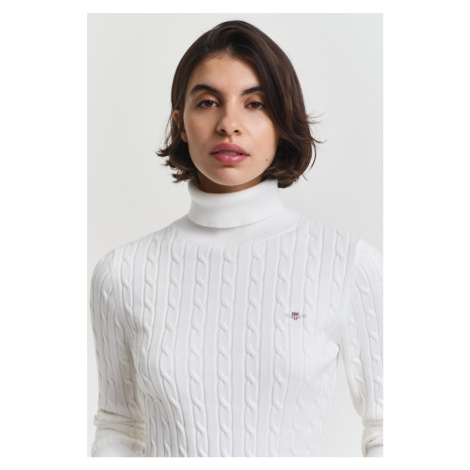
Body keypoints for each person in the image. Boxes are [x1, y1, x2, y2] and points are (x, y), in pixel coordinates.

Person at [89, 20, 383, 457]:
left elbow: (388, 427)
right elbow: (119, 427)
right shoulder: (123, 273)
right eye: (208, 102)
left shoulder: (346, 262)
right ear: (181, 123)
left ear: (281, 122)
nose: (229, 124)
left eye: (255, 104)